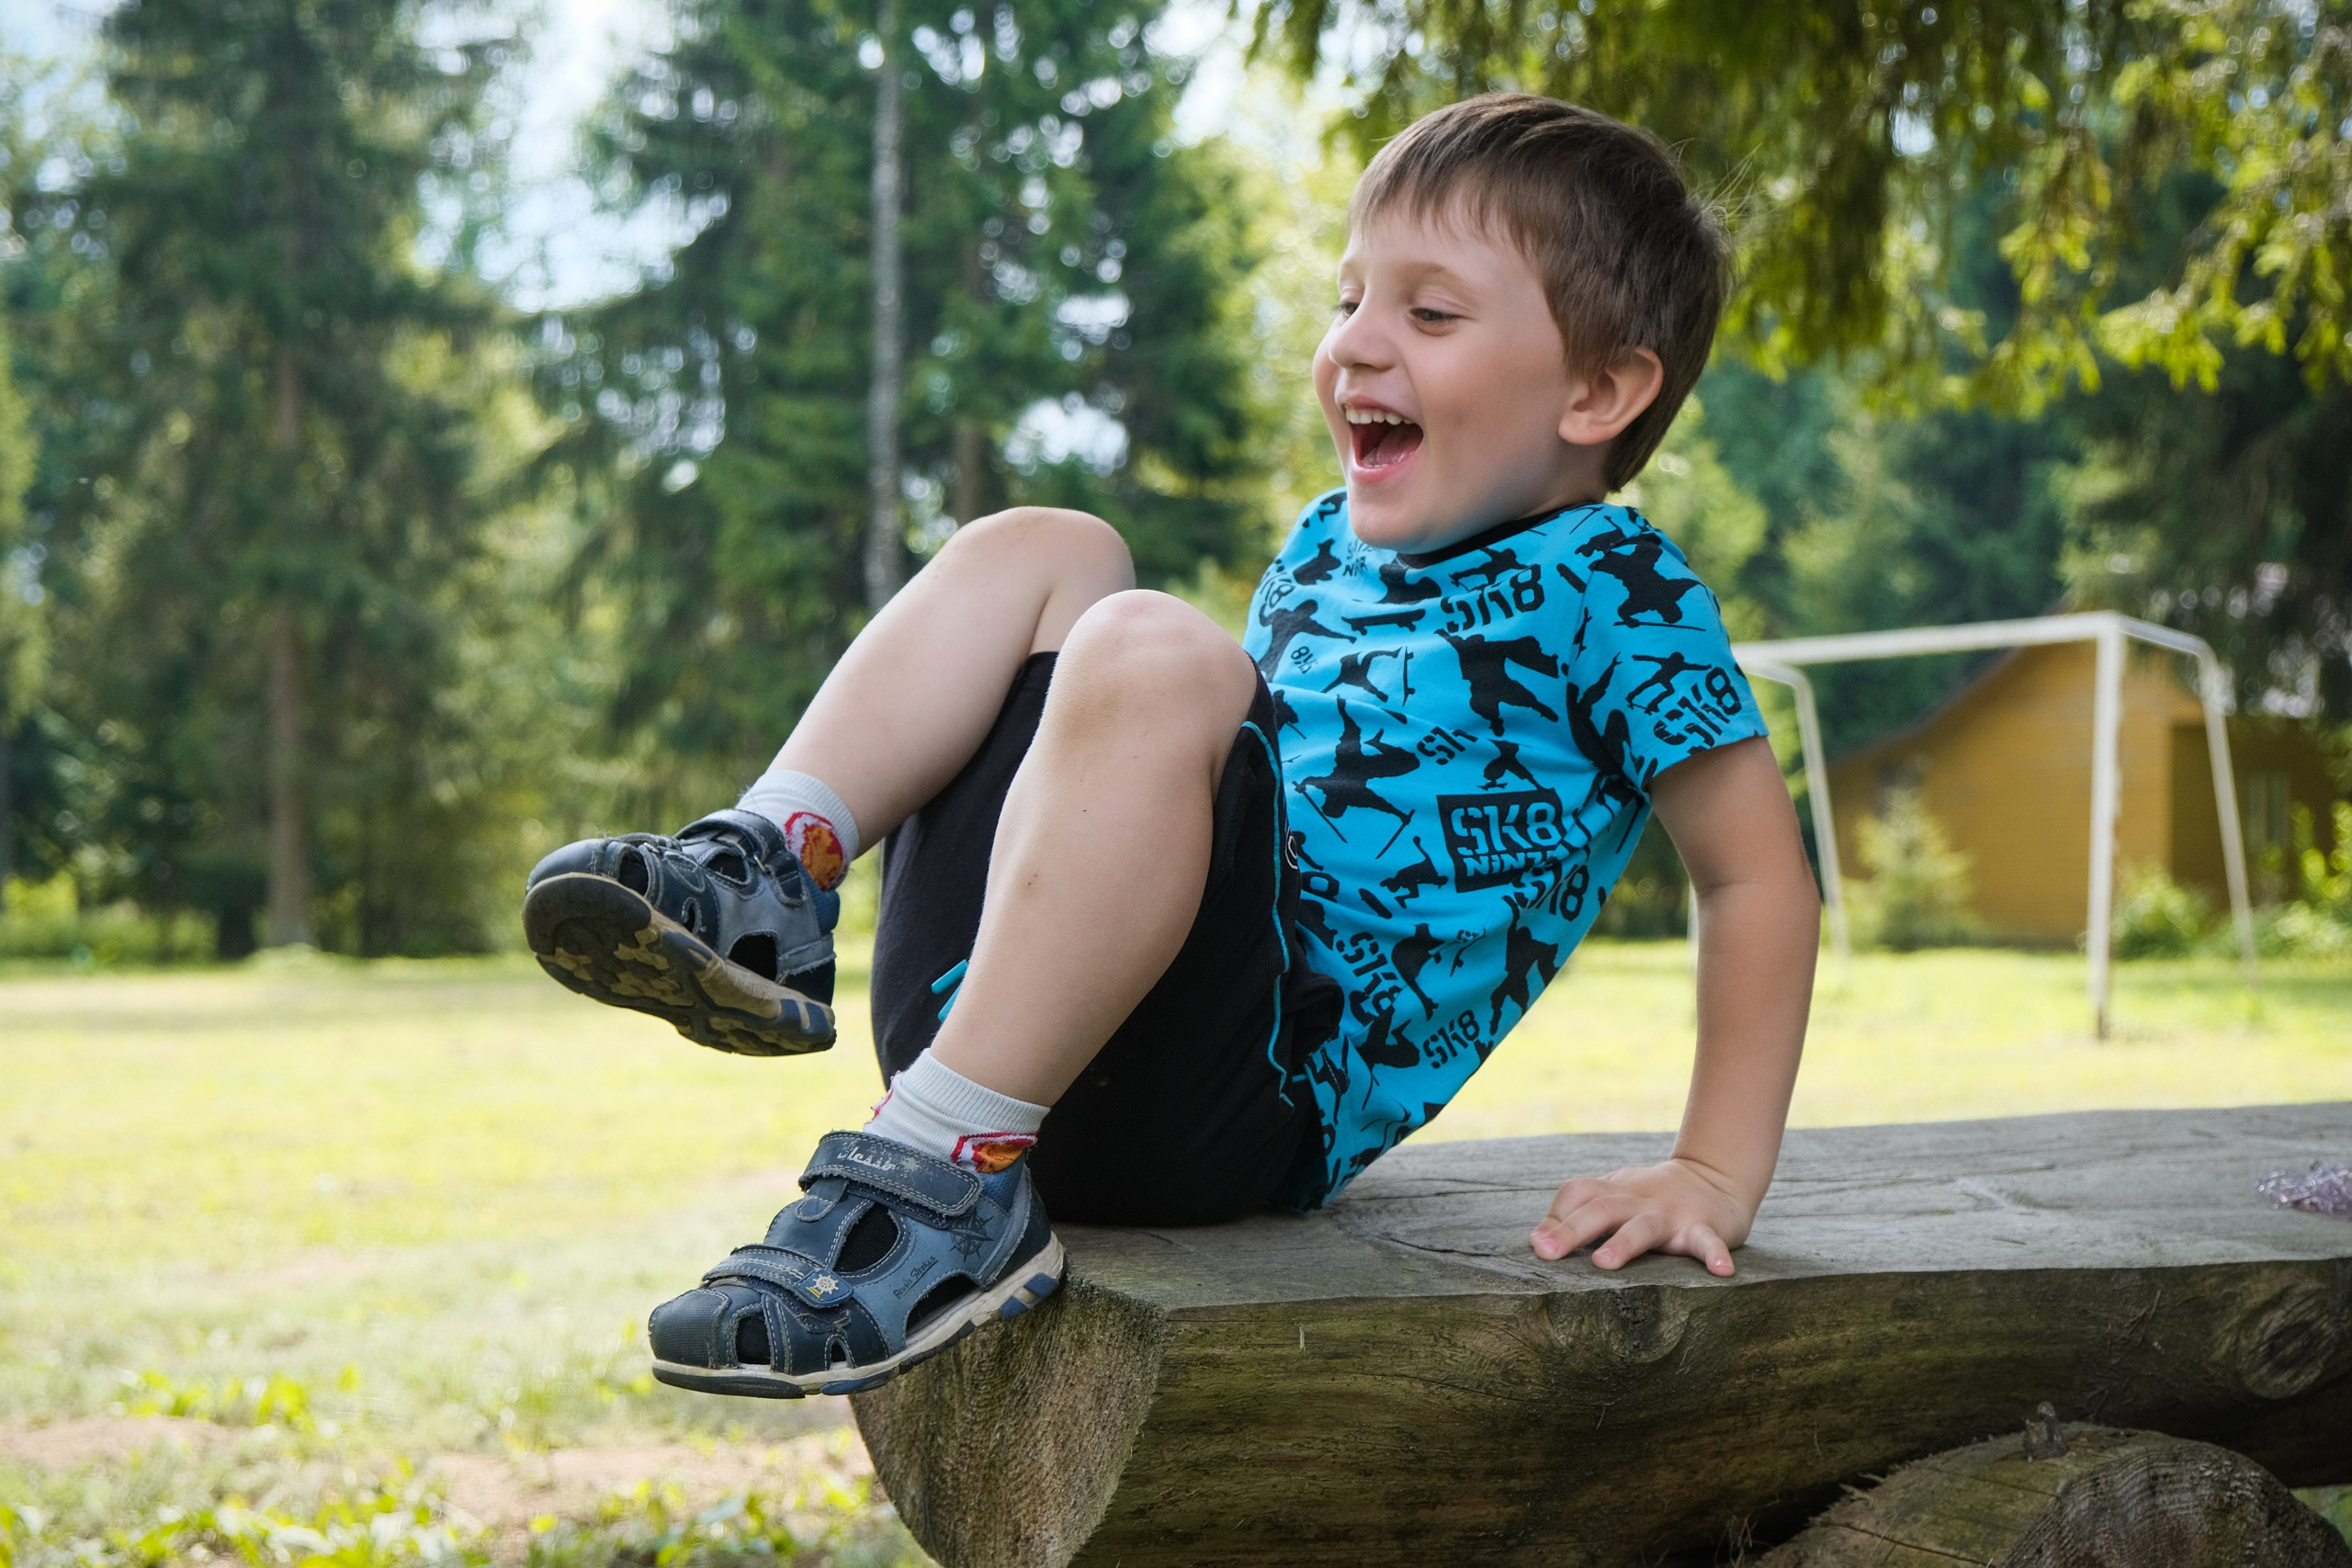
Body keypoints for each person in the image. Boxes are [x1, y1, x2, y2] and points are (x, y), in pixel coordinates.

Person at [521, 92, 1819, 1401]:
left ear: (1599, 390)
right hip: (994, 1016)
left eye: (1429, 314)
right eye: (1347, 299)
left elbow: (1757, 875)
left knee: (1150, 641)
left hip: (1230, 1109)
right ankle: (769, 869)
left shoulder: (1621, 590)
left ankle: (944, 1175)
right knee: (1053, 546)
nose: (1356, 347)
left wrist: (1713, 1168)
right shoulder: (1324, 545)